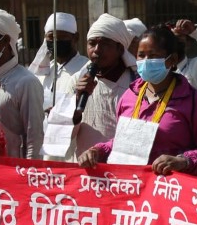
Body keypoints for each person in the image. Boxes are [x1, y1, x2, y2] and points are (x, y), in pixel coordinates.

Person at [79, 23, 197, 177]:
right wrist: (98, 150)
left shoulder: (194, 101)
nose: (145, 61)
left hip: (172, 191)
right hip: (133, 188)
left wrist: (184, 161)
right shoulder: (129, 96)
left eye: (153, 56)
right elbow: (124, 141)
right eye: (141, 55)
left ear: (172, 59)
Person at [45, 14, 137, 162]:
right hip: (86, 170)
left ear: (119, 48)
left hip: (123, 171)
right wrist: (74, 105)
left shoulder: (136, 84)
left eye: (105, 44)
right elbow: (63, 136)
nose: (97, 50)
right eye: (92, 43)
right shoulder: (78, 79)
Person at [0, 8, 45, 159]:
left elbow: (34, 137)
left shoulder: (26, 82)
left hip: (13, 170)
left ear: (5, 40)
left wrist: (29, 173)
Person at [28, 12, 87, 112]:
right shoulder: (43, 71)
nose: (56, 41)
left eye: (62, 37)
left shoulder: (85, 68)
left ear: (75, 38)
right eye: (51, 37)